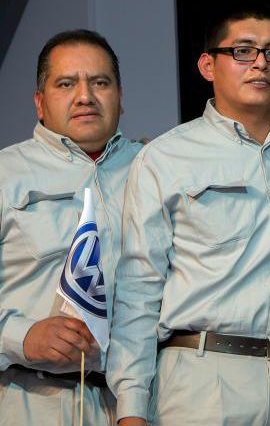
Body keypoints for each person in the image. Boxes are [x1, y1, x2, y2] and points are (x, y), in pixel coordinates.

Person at [108, 9, 270, 425]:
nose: (261, 63)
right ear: (207, 65)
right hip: (204, 383)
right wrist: (132, 407)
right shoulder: (167, 156)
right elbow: (138, 290)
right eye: (243, 51)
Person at [0, 30, 142, 425]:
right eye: (66, 83)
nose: (85, 96)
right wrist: (22, 337)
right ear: (39, 102)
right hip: (26, 400)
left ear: (120, 97)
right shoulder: (4, 174)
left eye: (100, 82)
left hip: (137, 406)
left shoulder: (156, 168)